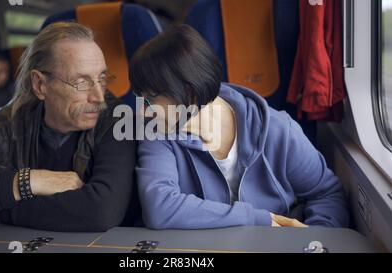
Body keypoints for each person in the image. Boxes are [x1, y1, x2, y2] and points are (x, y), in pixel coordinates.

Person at [130, 25, 349, 229]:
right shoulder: (157, 134)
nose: (142, 111)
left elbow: (326, 193)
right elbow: (159, 208)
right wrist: (258, 218)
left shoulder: (278, 131)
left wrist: (313, 242)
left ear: (190, 94)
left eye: (149, 100)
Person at [0, 22, 136, 232]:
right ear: (40, 85)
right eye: (82, 83)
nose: (99, 98)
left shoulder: (117, 120)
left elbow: (101, 211)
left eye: (102, 78)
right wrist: (28, 181)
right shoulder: (1, 129)